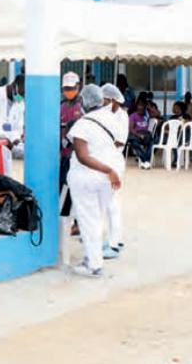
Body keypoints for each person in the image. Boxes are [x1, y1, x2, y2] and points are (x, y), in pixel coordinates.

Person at [67, 85, 122, 277]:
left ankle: (95, 266)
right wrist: (111, 170)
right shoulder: (112, 119)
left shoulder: (82, 124)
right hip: (109, 179)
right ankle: (91, 257)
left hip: (88, 177)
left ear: (84, 101)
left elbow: (82, 156)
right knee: (96, 219)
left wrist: (107, 169)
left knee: (88, 220)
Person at [100, 83, 128, 260]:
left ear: (112, 100)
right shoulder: (109, 114)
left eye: (105, 101)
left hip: (114, 162)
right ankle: (114, 239)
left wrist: (102, 144)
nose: (103, 104)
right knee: (110, 203)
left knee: (111, 204)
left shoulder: (121, 116)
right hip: (108, 160)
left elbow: (120, 141)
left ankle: (114, 243)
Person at [59, 72, 82, 223]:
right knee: (62, 186)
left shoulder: (82, 106)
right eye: (66, 89)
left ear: (78, 87)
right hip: (63, 154)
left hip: (77, 154)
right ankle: (64, 218)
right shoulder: (61, 106)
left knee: (76, 189)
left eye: (71, 88)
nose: (68, 91)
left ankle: (76, 221)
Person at [0, 75, 24, 175]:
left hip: (6, 150)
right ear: (14, 85)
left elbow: (18, 127)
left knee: (4, 183)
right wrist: (7, 138)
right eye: (21, 93)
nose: (21, 97)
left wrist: (15, 139)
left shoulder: (19, 103)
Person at [128, 101, 153, 169]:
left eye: (142, 110)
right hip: (136, 134)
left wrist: (149, 108)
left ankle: (145, 162)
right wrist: (139, 135)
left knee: (151, 142)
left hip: (145, 133)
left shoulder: (146, 115)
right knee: (135, 143)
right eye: (139, 109)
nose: (141, 111)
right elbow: (131, 129)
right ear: (136, 109)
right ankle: (145, 160)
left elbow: (157, 114)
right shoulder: (132, 116)